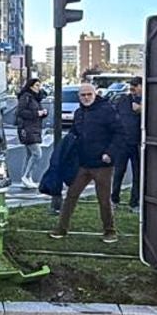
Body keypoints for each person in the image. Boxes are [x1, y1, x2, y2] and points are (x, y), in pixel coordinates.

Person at [53, 82, 119, 242]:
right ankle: (61, 229)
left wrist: (109, 153)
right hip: (82, 164)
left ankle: (110, 231)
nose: (86, 97)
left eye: (89, 94)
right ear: (79, 97)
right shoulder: (79, 113)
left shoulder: (107, 110)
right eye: (83, 95)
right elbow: (75, 133)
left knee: (103, 199)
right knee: (71, 195)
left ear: (95, 94)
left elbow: (119, 133)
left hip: (102, 165)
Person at [111, 76, 143, 207]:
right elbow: (115, 117)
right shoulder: (123, 100)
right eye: (131, 88)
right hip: (123, 142)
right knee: (119, 171)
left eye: (136, 87)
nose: (133, 91)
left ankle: (134, 202)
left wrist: (141, 109)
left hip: (138, 143)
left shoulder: (147, 101)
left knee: (138, 174)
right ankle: (114, 198)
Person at [14, 76, 50, 187]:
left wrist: (43, 113)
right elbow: (20, 112)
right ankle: (25, 176)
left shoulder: (35, 98)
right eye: (37, 85)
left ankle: (26, 178)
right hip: (27, 128)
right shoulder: (26, 97)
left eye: (40, 85)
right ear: (30, 86)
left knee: (30, 154)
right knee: (37, 154)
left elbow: (36, 111)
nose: (39, 88)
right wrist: (37, 113)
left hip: (34, 128)